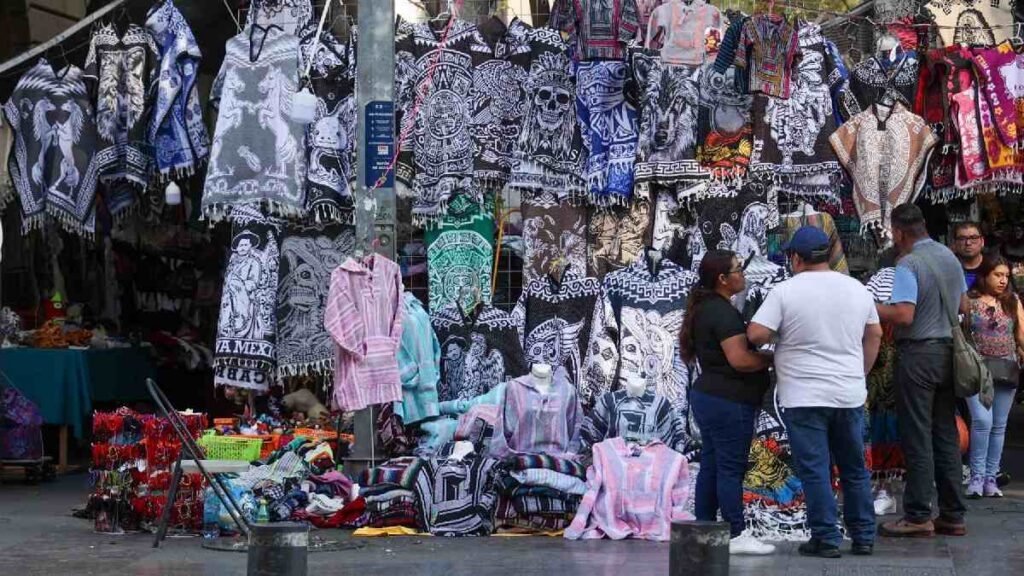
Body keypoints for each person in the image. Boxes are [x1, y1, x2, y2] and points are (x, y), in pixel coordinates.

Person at [747, 227, 881, 558]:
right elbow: (875, 334)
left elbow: (756, 333)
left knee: (816, 469)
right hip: (848, 393)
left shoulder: (785, 291)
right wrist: (858, 373)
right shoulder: (857, 289)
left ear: (795, 258)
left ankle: (826, 538)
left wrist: (781, 336)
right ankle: (864, 536)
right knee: (854, 469)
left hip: (803, 397)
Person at [875, 204, 969, 538]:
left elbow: (903, 315)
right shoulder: (948, 256)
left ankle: (917, 515)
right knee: (944, 432)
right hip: (947, 354)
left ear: (898, 232)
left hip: (917, 355)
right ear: (924, 225)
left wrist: (869, 306)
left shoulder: (908, 263)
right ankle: (953, 514)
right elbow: (963, 307)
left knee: (916, 435)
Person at [679, 249, 774, 555]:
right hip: (728, 401)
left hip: (710, 397)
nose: (742, 275)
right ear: (722, 279)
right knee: (730, 468)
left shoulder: (707, 308)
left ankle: (704, 528)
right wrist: (770, 359)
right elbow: (740, 360)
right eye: (737, 270)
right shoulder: (721, 312)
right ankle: (735, 533)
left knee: (713, 465)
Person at [963, 254, 1024, 498]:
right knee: (982, 421)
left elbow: (1021, 335)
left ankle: (990, 478)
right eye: (997, 275)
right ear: (983, 275)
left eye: (1006, 276)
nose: (1002, 280)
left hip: (1006, 367)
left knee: (999, 426)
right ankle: (976, 476)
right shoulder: (968, 300)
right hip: (976, 368)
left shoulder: (1012, 301)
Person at [951, 221, 985, 288]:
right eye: (962, 239)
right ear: (954, 243)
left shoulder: (993, 266)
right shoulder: (947, 268)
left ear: (982, 241)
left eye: (974, 238)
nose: (968, 243)